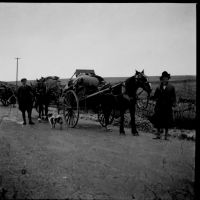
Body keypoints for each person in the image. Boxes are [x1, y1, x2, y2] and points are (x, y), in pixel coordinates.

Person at [151, 71, 176, 140]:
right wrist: (151, 97)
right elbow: (155, 96)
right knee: (158, 121)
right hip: (159, 106)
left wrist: (174, 103)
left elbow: (174, 97)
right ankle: (158, 135)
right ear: (162, 79)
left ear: (168, 79)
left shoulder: (171, 87)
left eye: (166, 78)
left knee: (167, 121)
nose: (165, 79)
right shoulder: (158, 87)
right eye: (164, 78)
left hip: (167, 107)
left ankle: (166, 136)